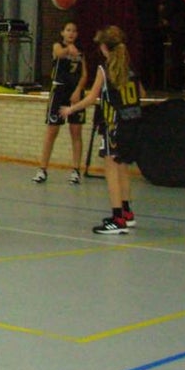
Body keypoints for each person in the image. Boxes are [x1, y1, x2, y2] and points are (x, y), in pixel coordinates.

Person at [60, 25, 143, 235]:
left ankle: (117, 219)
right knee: (123, 167)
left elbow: (90, 98)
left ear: (105, 48)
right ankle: (127, 212)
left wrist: (71, 109)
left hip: (114, 124)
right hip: (133, 123)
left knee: (111, 170)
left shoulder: (105, 70)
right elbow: (141, 93)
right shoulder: (130, 68)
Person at [32, 21, 88, 186]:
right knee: (51, 132)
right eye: (68, 30)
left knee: (76, 132)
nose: (71, 33)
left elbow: (84, 74)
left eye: (74, 30)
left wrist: (78, 91)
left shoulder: (80, 51)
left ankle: (76, 170)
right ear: (62, 33)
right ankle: (42, 169)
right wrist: (67, 50)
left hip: (75, 93)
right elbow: (59, 53)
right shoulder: (57, 46)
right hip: (59, 92)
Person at [132, 0, 172, 89]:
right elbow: (142, 4)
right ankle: (147, 82)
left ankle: (158, 83)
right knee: (148, 54)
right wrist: (157, 8)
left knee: (157, 55)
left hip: (155, 25)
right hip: (149, 24)